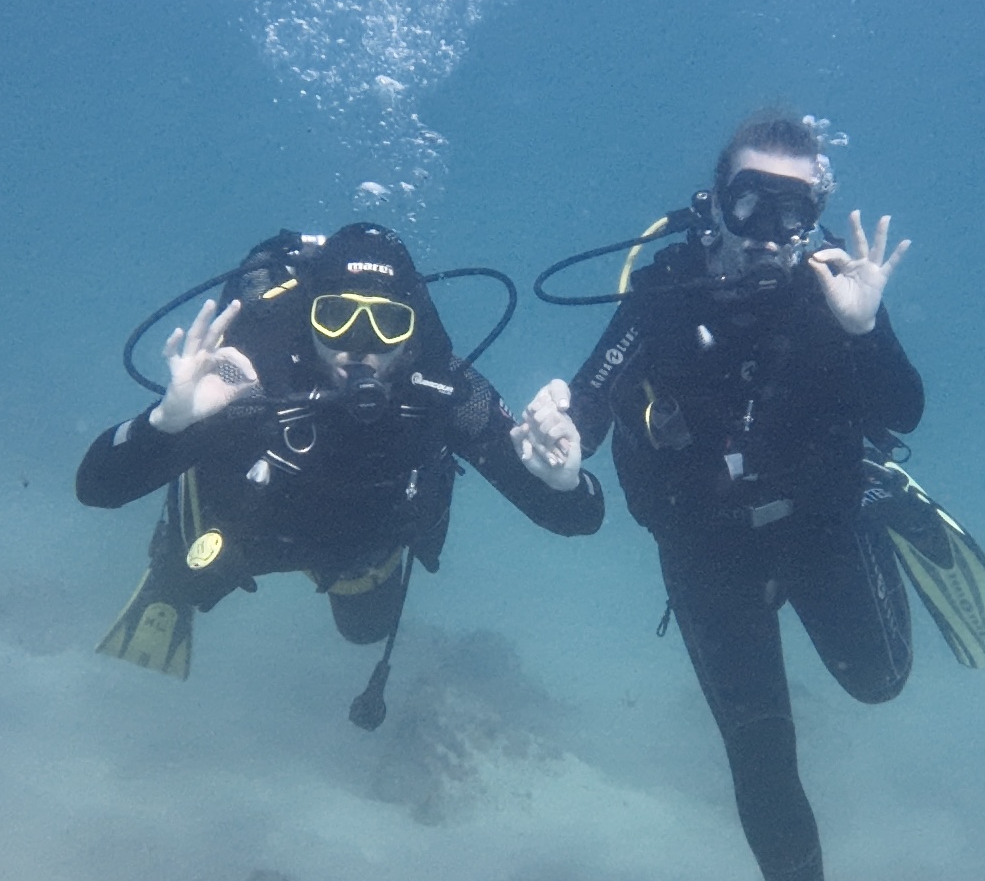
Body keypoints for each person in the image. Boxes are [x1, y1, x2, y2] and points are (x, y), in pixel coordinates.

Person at [521, 111, 985, 881]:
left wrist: (863, 326)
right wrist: (558, 442)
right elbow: (592, 399)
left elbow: (900, 409)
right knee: (760, 756)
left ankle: (893, 503)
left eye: (797, 211)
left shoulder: (828, 294)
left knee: (880, 682)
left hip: (821, 526)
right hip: (706, 558)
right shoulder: (657, 297)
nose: (772, 232)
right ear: (715, 201)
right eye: (754, 204)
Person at [81, 223, 599, 724]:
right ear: (309, 318)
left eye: (388, 323)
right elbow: (96, 488)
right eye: (338, 318)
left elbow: (581, 518)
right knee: (190, 582)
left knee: (366, 633)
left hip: (357, 550)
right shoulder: (250, 379)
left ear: (412, 331)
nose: (361, 346)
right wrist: (165, 424)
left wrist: (564, 483)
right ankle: (173, 554)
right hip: (244, 529)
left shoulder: (445, 392)